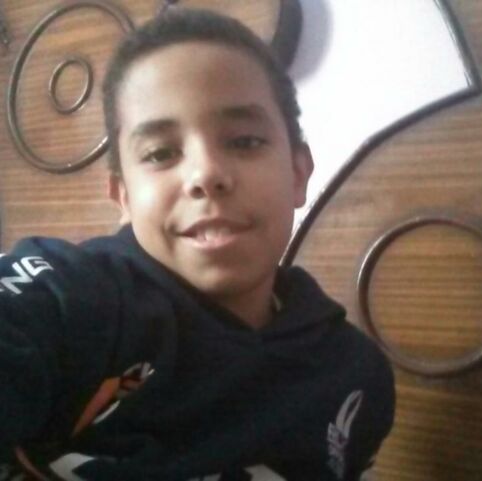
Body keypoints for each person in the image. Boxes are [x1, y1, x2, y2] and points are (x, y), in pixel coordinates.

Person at [0, 8, 394, 481]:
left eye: (244, 141)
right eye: (160, 153)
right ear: (124, 197)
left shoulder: (356, 376)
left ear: (297, 172)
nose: (205, 174)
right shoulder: (75, 298)